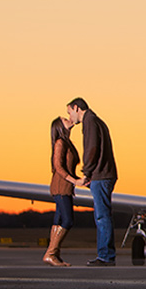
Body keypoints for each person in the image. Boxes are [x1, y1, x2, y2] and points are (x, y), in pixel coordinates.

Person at [66, 98, 118, 266]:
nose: (70, 117)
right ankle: (105, 254)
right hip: (103, 174)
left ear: (76, 108)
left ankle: (106, 256)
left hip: (100, 175)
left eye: (69, 112)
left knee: (102, 216)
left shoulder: (90, 121)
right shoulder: (96, 120)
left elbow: (91, 148)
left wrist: (86, 173)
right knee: (102, 215)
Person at [43, 117, 82, 266]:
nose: (69, 119)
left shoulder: (67, 142)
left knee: (58, 220)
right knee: (68, 220)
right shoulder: (60, 142)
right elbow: (58, 167)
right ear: (60, 126)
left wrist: (79, 180)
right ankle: (51, 253)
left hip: (65, 185)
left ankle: (54, 255)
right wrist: (74, 181)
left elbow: (68, 168)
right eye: (65, 119)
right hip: (61, 186)